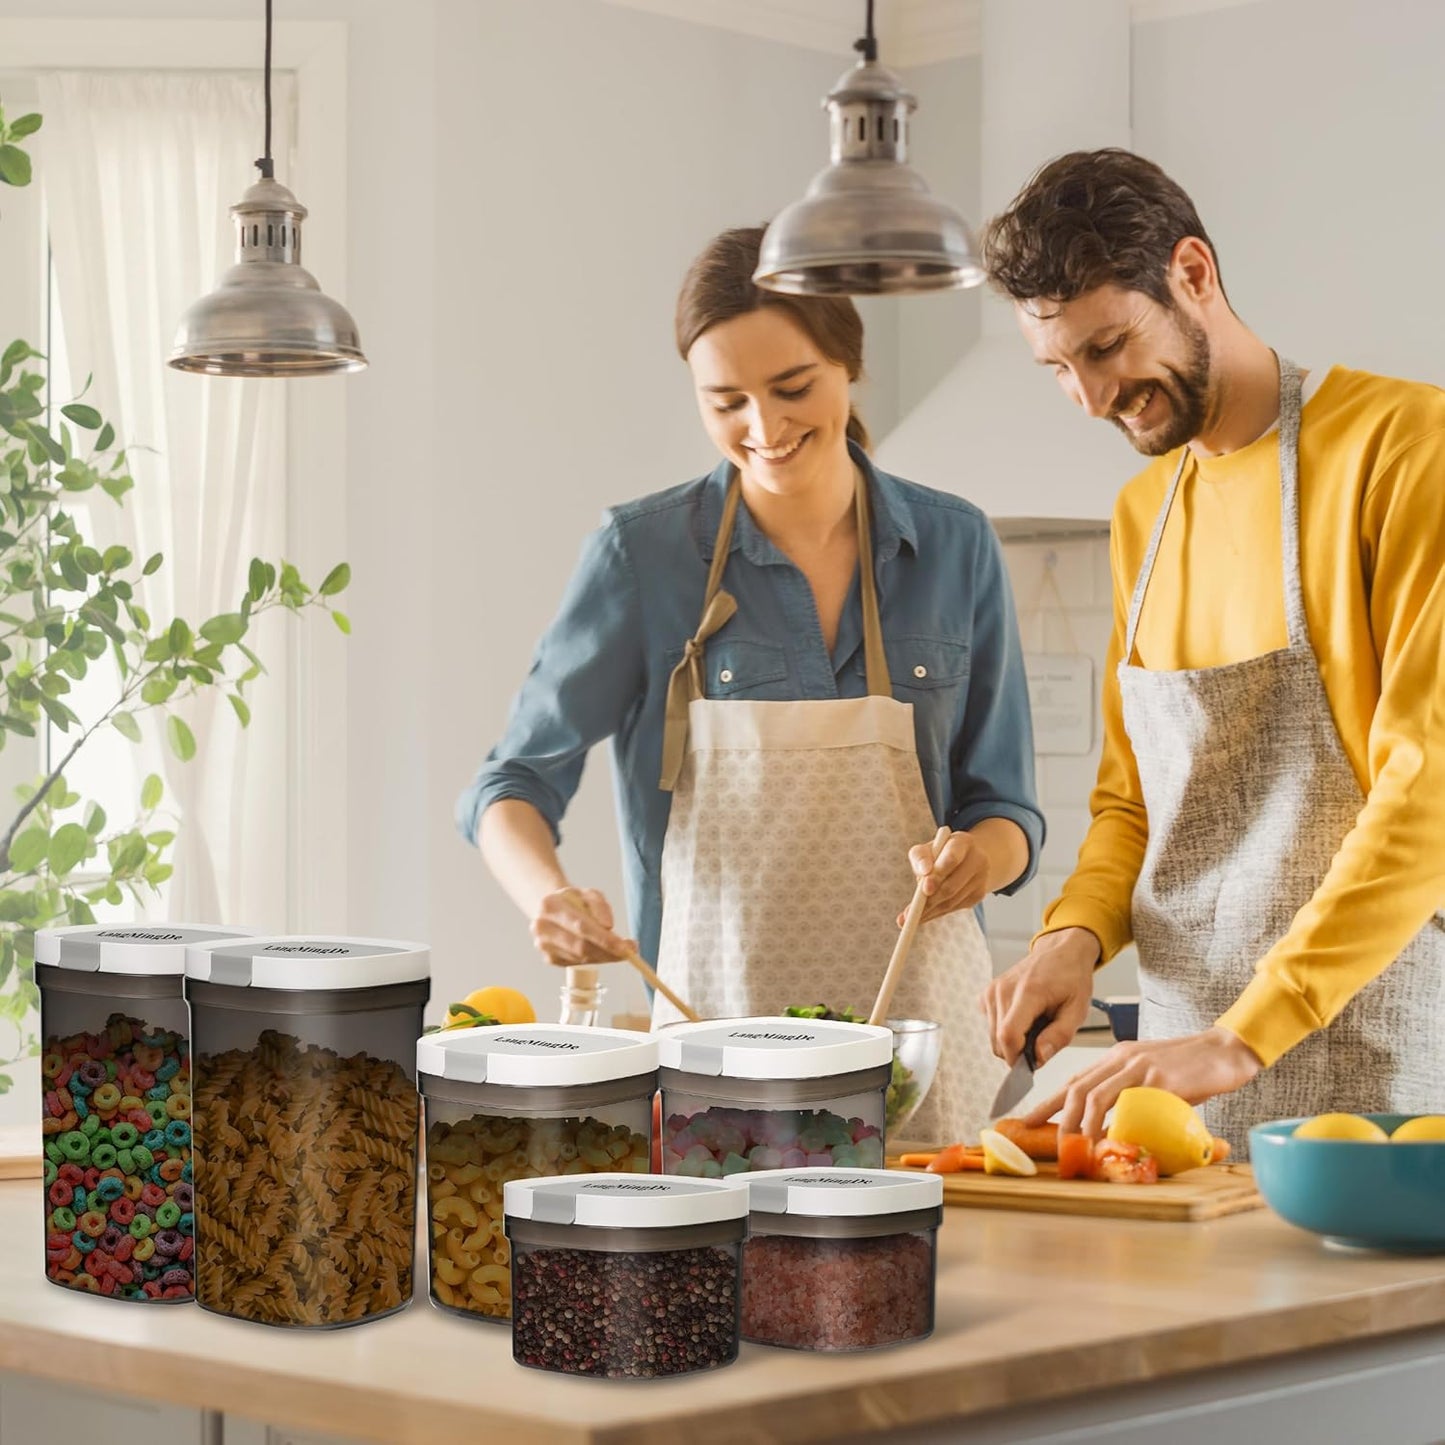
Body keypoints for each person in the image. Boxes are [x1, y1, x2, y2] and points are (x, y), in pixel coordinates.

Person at [457, 225, 1043, 1143]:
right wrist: (549, 899)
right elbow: (510, 784)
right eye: (725, 400)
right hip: (711, 1048)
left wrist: (982, 857)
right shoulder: (642, 556)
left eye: (792, 388)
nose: (763, 430)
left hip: (922, 1052)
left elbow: (1004, 805)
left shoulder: (955, 545)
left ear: (848, 364)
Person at [978, 149, 1445, 1153]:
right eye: (1057, 367)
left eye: (1106, 346)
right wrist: (1073, 936)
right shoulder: (1142, 514)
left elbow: (1425, 790)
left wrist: (1243, 1038)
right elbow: (1130, 802)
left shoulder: (1403, 448)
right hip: (1171, 1077)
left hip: (1371, 1067)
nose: (1091, 398)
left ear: (1191, 272)